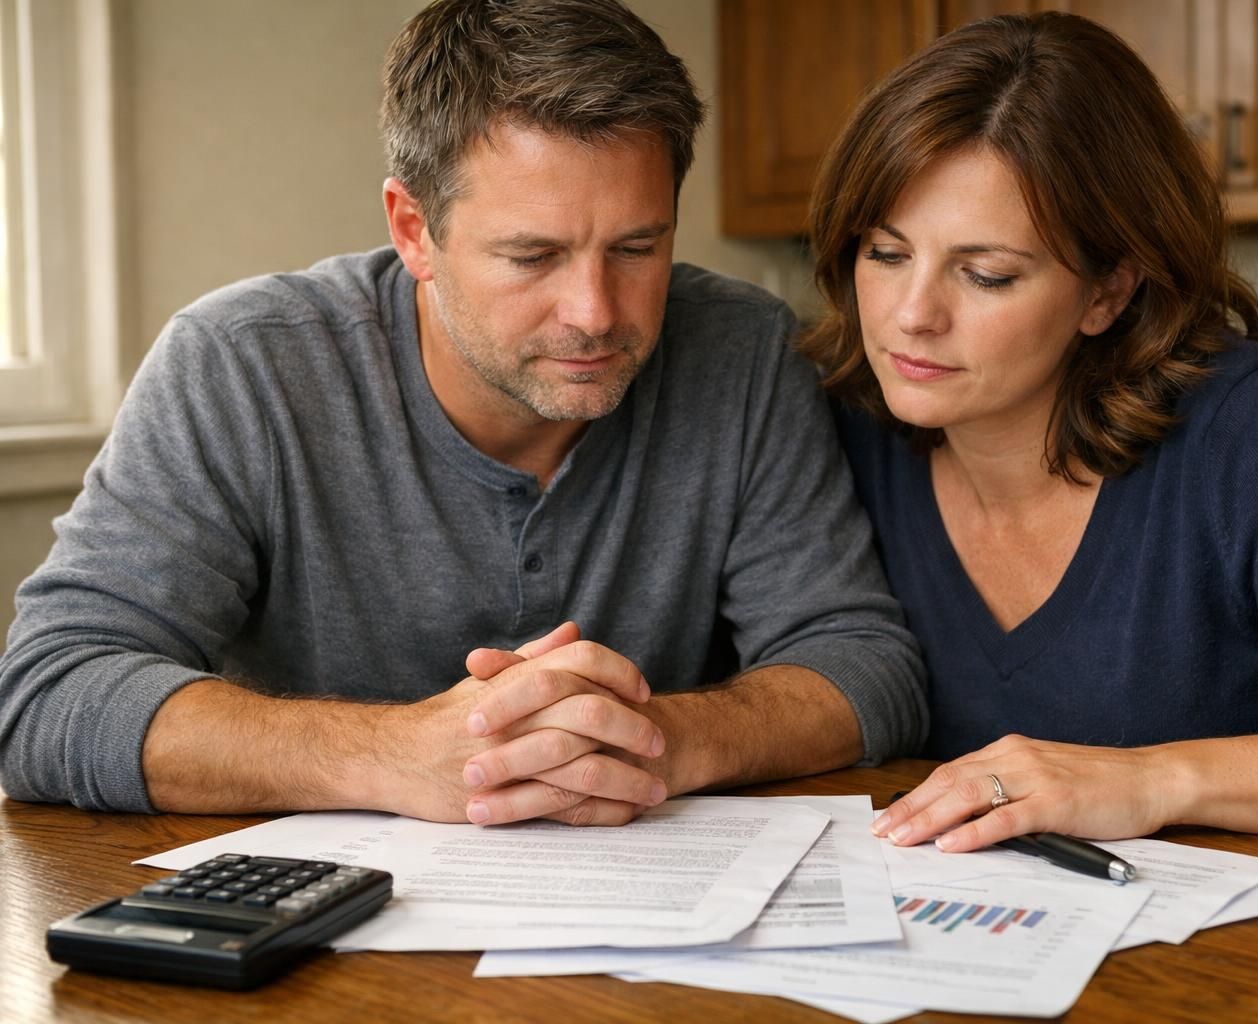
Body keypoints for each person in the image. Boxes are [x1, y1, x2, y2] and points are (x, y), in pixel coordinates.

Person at [0, 0, 926, 825]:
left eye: (637, 246)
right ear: (415, 232)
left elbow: (863, 662)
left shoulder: (744, 351)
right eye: (532, 257)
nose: (596, 312)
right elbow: (47, 693)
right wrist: (398, 753)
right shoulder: (243, 365)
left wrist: (662, 738)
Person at [800, 12, 1258, 850]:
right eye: (885, 254)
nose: (910, 317)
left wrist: (1151, 778)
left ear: (1109, 289)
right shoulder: (841, 430)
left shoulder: (1248, 431)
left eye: (986, 274)